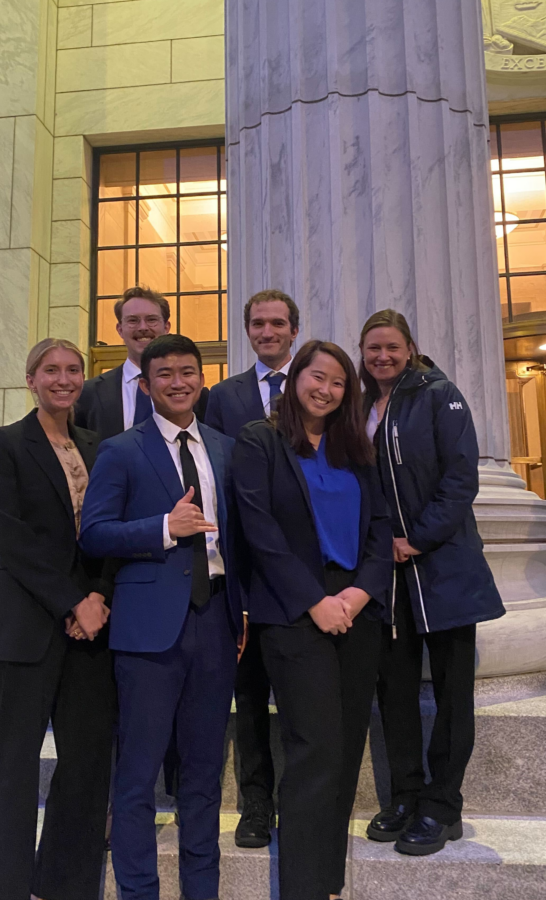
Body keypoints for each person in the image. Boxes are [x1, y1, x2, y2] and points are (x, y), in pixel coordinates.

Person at [80, 334, 245, 900]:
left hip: (217, 622)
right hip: (149, 630)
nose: (179, 382)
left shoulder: (224, 447)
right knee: (137, 777)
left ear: (203, 379)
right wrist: (162, 529)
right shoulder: (122, 450)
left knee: (202, 776)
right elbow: (94, 532)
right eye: (165, 374)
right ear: (145, 385)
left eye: (188, 372)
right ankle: (139, 892)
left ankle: (203, 890)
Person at [232, 340, 393, 900]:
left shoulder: (356, 449)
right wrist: (313, 601)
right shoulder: (262, 441)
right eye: (316, 377)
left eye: (338, 382)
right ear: (295, 378)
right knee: (314, 745)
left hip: (355, 606)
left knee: (345, 748)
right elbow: (259, 531)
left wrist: (357, 593)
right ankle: (302, 887)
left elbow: (379, 529)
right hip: (294, 610)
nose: (325, 389)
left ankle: (325, 882)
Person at [360, 309, 505, 857]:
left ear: (410, 347)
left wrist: (416, 539)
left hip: (441, 567)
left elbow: (460, 476)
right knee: (394, 693)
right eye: (373, 348)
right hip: (387, 577)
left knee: (451, 696)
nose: (382, 357)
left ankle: (443, 808)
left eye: (392, 347)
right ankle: (405, 797)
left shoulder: (439, 394)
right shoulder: (359, 403)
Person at [0, 338, 115, 900]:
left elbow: (108, 531)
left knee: (85, 765)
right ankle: (6, 889)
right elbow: (10, 537)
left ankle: (65, 885)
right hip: (28, 625)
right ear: (30, 379)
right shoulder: (6, 443)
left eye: (73, 369)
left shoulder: (98, 447)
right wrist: (70, 600)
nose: (64, 378)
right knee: (12, 767)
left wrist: (99, 598)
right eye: (51, 370)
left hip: (91, 632)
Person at [204, 288, 300, 848]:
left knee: (296, 696)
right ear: (249, 331)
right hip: (242, 571)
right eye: (258, 324)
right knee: (249, 695)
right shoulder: (225, 396)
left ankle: (298, 798)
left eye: (277, 324)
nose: (267, 332)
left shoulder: (315, 384)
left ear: (293, 329)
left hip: (302, 572)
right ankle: (255, 804)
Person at [74, 285, 208, 439]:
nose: (143, 327)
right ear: (120, 329)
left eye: (151, 320)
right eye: (133, 320)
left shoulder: (197, 395)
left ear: (166, 327)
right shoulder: (89, 393)